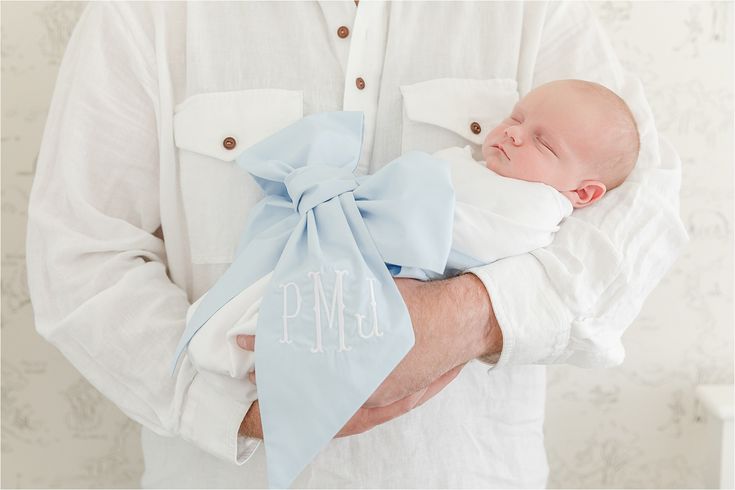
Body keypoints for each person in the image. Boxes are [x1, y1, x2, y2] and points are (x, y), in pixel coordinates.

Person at [25, 2, 688, 488]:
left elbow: (640, 215)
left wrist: (463, 318)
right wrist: (243, 407)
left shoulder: (537, 12)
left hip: (466, 471)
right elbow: (80, 253)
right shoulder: (144, 15)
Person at [185, 78, 641, 421]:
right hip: (355, 236)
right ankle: (220, 356)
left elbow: (462, 235)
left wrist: (363, 210)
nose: (515, 134)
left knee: (293, 313)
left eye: (543, 141)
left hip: (386, 266)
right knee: (264, 294)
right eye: (517, 118)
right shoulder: (484, 170)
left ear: (584, 194)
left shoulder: (534, 207)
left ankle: (235, 353)